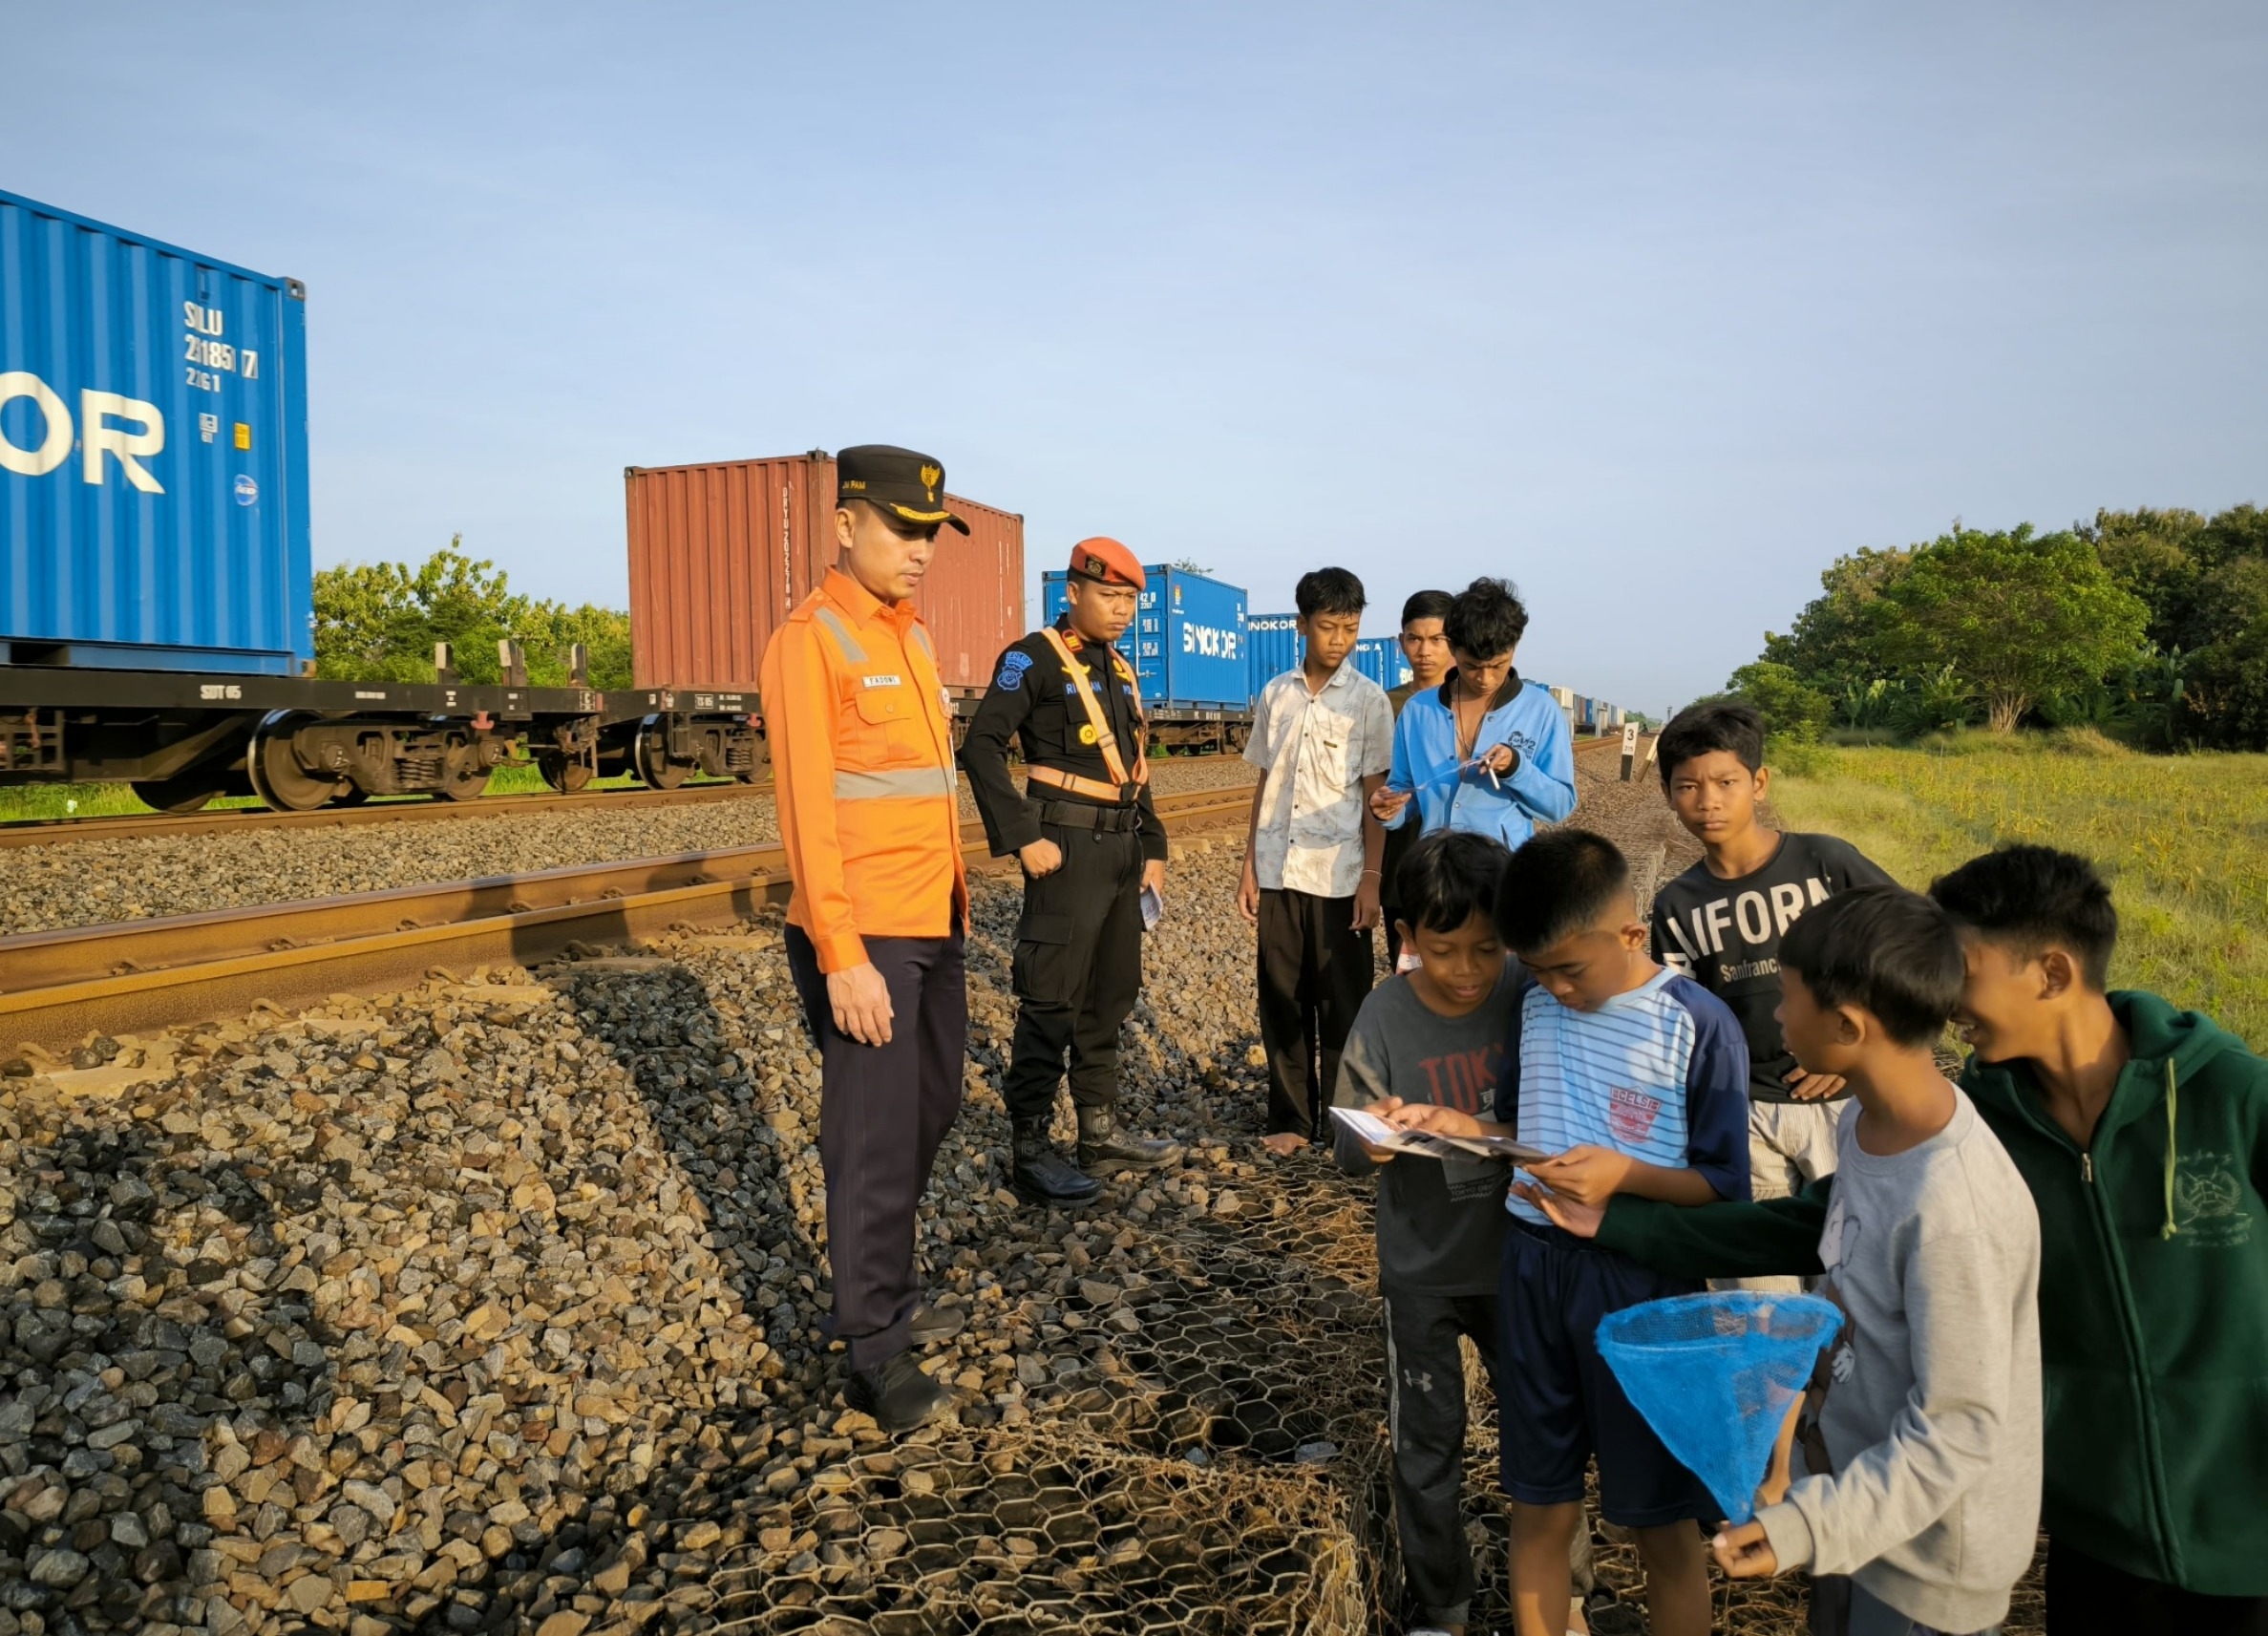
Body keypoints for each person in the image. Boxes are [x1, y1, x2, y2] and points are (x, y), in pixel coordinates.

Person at [1579, 843, 2268, 1636]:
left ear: (2050, 972)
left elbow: (1955, 1420)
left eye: (1958, 967)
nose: (1937, 992)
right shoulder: (1981, 1113)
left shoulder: (2228, 1094)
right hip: (2096, 1525)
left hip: (2246, 1525)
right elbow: (1820, 1221)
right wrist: (1628, 1222)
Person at [1385, 829, 1749, 1636]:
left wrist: (1624, 1176)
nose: (1552, 986)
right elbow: (1529, 1124)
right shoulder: (1539, 1006)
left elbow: (1722, 1186)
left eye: (1568, 970)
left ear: (1630, 933)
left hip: (1641, 1285)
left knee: (1661, 1523)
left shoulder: (1695, 1023)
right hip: (1533, 1269)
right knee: (1539, 1503)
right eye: (1538, 970)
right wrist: (1468, 1128)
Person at [1697, 887, 2040, 1636]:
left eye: (1787, 999)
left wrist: (1806, 1525)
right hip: (1855, 1513)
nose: (1776, 1016)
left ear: (1847, 1026)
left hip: (1924, 1565)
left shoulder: (1951, 1208)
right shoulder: (1864, 1118)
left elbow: (1957, 1428)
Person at [1331, 829, 1594, 1636]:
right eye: (1443, 951)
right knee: (1426, 1442)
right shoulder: (1384, 1014)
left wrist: (1479, 1127)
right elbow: (1347, 1146)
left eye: (1486, 947)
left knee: (1543, 1434)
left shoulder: (1532, 994)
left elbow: (1574, 1114)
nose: (1468, 970)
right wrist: (1376, 1139)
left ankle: (1564, 1597)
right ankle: (1442, 1602)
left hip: (1522, 1264)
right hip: (1422, 1272)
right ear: (1406, 936)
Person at [761, 443, 973, 1433]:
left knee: (932, 1106)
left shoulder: (911, 636)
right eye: (903, 529)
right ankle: (873, 1346)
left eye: (931, 533)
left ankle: (885, 1285)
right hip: (868, 935)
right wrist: (841, 956)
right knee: (870, 1138)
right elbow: (807, 814)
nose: (921, 549)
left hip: (934, 916)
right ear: (845, 524)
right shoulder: (811, 641)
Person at [961, 537, 1184, 1206]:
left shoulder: (1120, 670)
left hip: (1121, 851)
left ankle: (1099, 1133)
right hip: (1064, 848)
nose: (1122, 610)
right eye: (1109, 596)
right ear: (1074, 592)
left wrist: (1154, 845)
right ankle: (1030, 1149)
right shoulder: (1032, 658)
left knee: (1110, 993)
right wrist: (1021, 837)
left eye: (1130, 600)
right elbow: (980, 746)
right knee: (1051, 996)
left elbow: (1132, 769)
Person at [1649, 701, 1892, 1289]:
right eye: (1688, 787)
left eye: (1725, 782)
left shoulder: (1826, 864)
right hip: (1744, 1108)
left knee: (1855, 1271)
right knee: (1761, 1287)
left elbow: (1908, 948)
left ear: (1758, 783)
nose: (1707, 801)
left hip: (1842, 1102)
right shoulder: (1677, 904)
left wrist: (1859, 1054)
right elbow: (1684, 1016)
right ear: (1668, 795)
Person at [1237, 566, 1395, 1158]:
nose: (1340, 640)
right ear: (1301, 625)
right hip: (1278, 870)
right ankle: (1292, 1120)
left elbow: (1376, 798)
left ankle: (1345, 1121)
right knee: (1282, 1000)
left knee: (1343, 1004)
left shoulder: (1369, 702)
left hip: (1340, 875)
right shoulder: (1275, 695)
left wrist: (1372, 879)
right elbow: (1266, 783)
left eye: (1350, 628)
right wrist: (1249, 864)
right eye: (1329, 627)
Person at [1372, 576, 1576, 857]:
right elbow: (1404, 792)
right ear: (1453, 647)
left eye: (1498, 665)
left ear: (1514, 647)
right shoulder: (1418, 710)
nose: (1485, 678)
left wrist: (1517, 768)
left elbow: (1559, 806)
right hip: (1435, 869)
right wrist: (1388, 809)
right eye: (1471, 666)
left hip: (1505, 870)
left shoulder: (1541, 710)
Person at [1380, 588, 1454, 971]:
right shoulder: (1385, 705)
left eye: (1437, 639)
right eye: (1415, 639)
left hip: (1460, 866)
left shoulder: (1472, 702)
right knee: (1409, 978)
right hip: (1400, 863)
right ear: (1401, 642)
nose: (1425, 651)